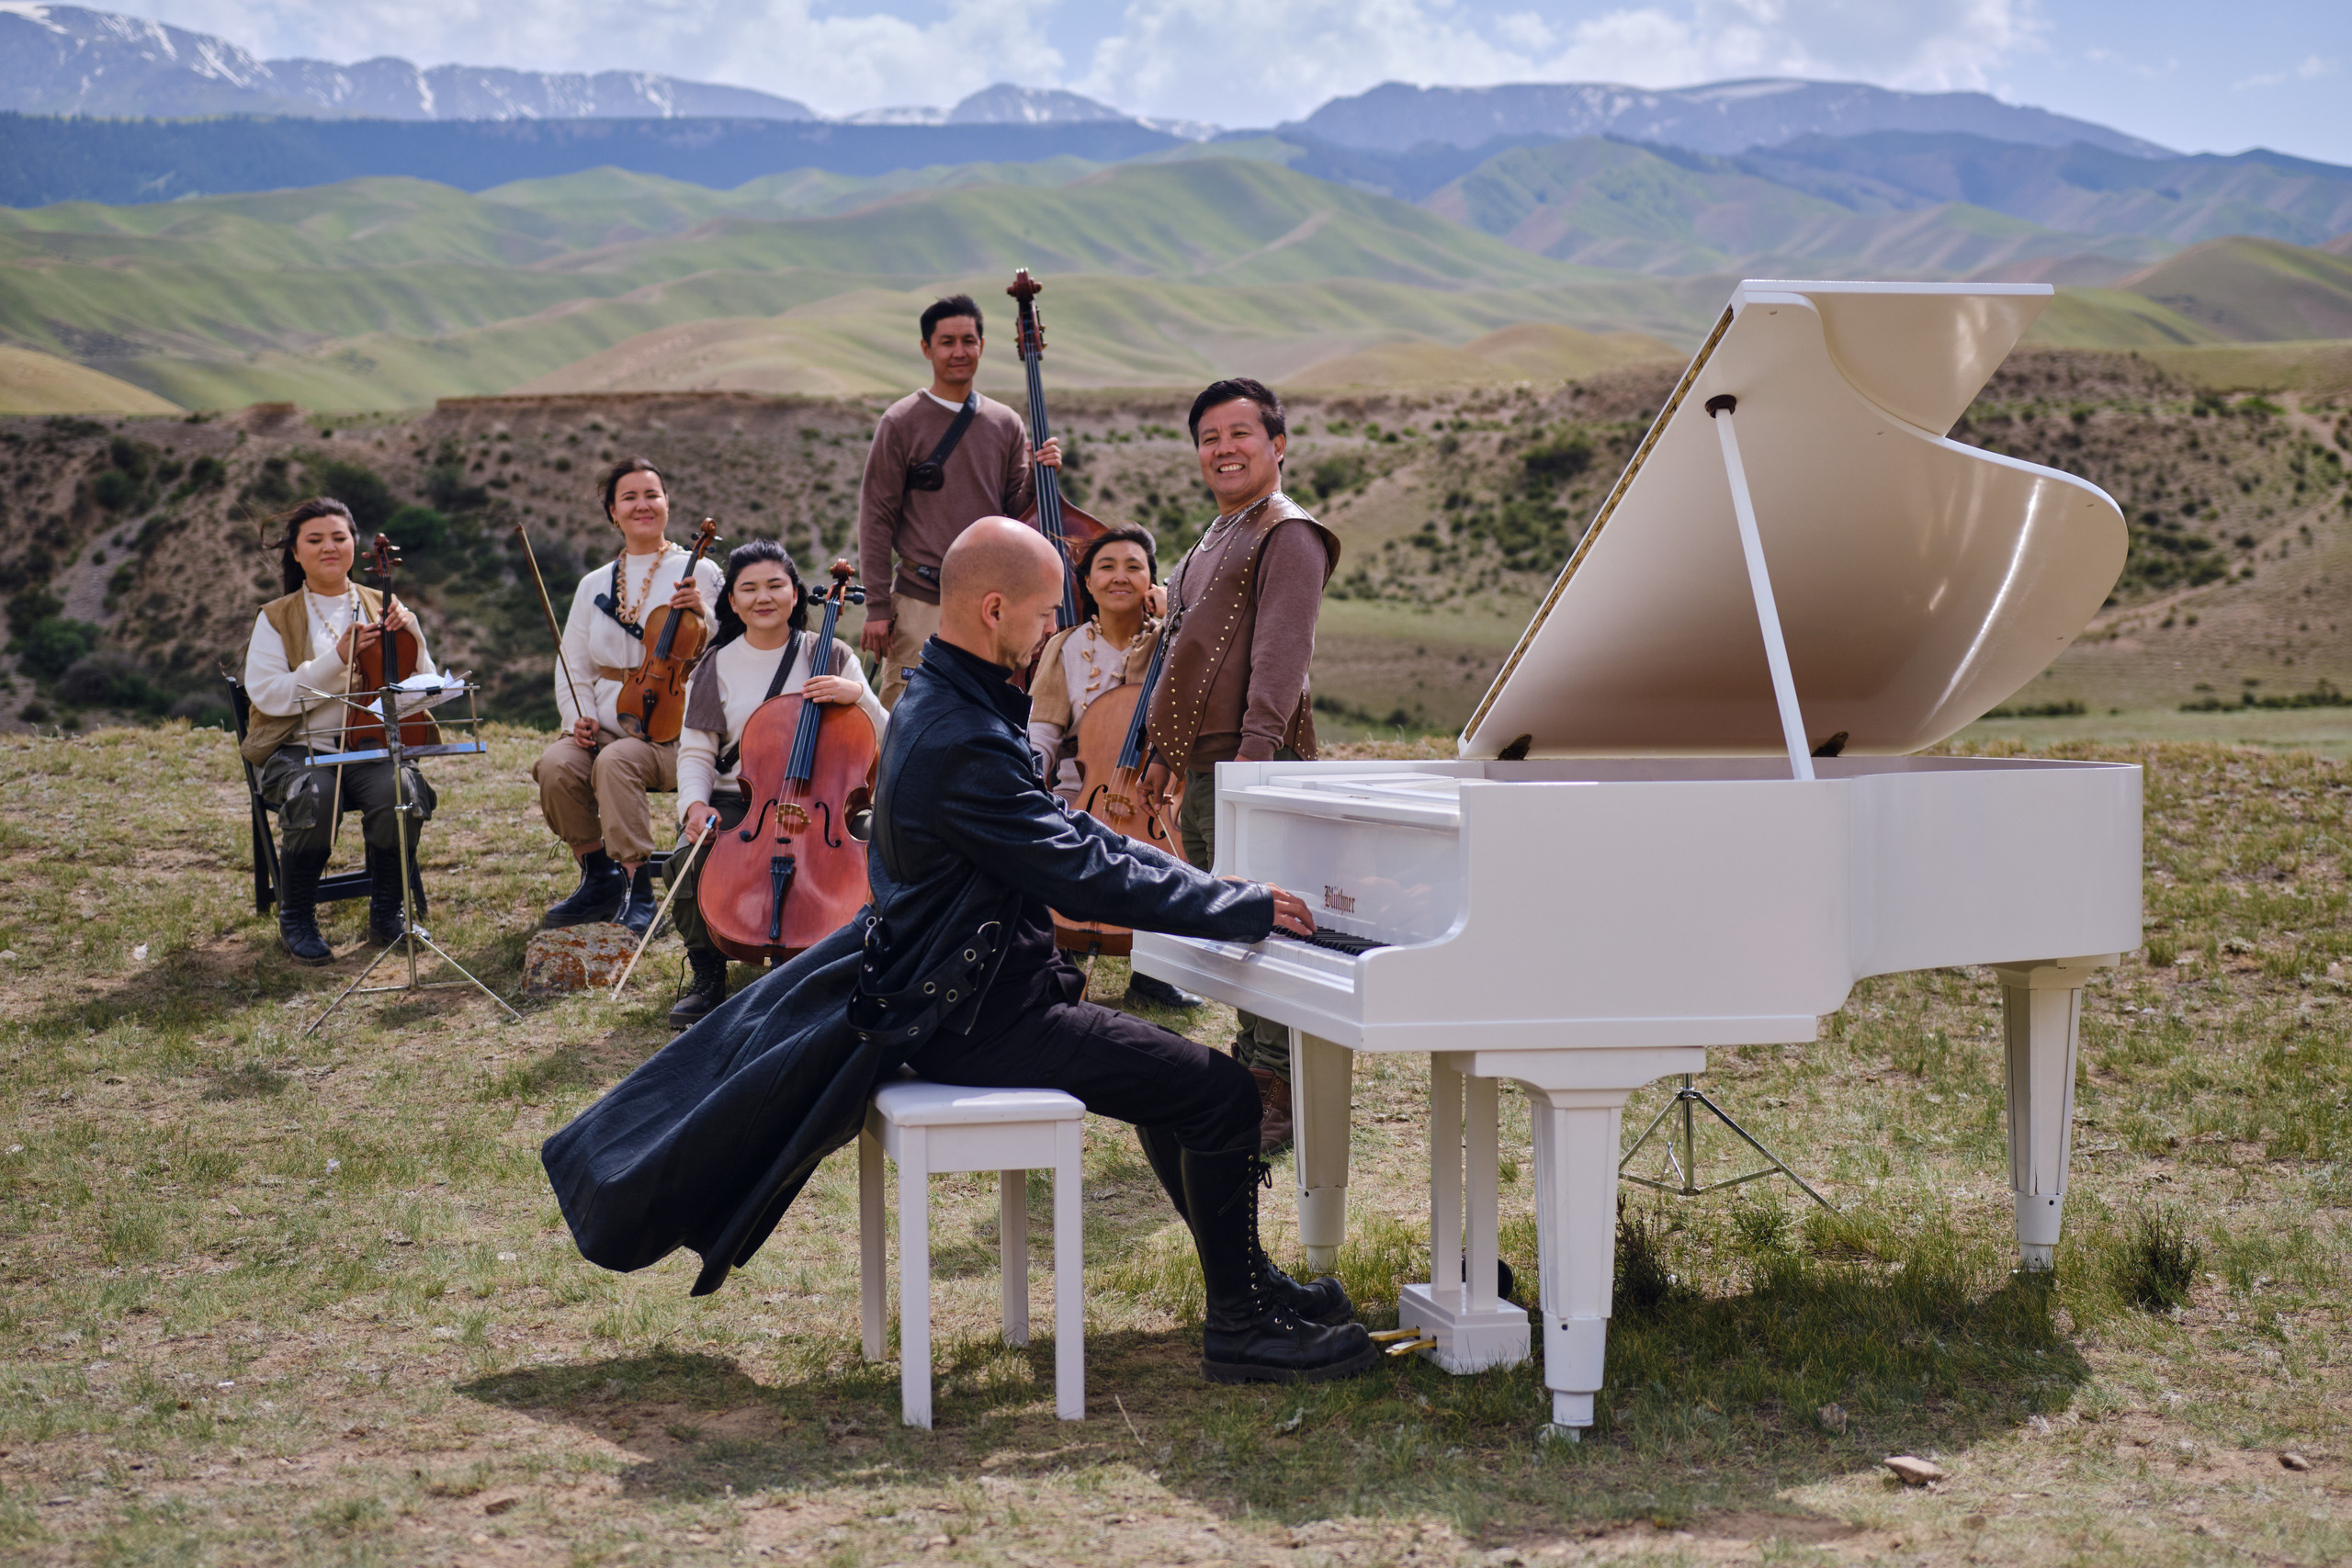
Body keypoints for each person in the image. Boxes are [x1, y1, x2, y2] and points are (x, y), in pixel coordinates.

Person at [1141, 378, 1340, 1153]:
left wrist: (1253, 769)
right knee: (1240, 927)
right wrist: (1167, 753)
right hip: (1210, 767)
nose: (1223, 449)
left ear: (1278, 443)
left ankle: (1277, 1088)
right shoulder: (1213, 536)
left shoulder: (1288, 534)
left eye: (1240, 434)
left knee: (1270, 928)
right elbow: (1182, 658)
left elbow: (1280, 658)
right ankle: (1252, 1069)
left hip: (1255, 761)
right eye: (1209, 438)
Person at [665, 541, 888, 1031]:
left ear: (795, 594)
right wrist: (695, 804)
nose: (762, 598)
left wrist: (858, 696)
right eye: (748, 588)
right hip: (742, 798)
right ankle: (707, 974)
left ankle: (849, 964)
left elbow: (888, 735)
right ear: (732, 601)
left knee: (884, 846)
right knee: (689, 857)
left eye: (774, 586)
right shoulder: (714, 665)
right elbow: (698, 751)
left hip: (828, 799)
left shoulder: (830, 653)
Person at [241, 498, 440, 964]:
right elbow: (269, 696)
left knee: (402, 789)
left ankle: (388, 913)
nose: (329, 547)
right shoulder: (276, 617)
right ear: (295, 552)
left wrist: (414, 636)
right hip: (297, 748)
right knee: (315, 794)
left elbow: (421, 685)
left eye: (339, 537)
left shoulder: (383, 605)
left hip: (369, 746)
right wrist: (336, 659)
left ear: (354, 545)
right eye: (315, 540)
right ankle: (297, 917)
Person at [533, 457, 725, 937]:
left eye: (652, 494)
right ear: (613, 512)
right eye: (630, 497)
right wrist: (574, 718)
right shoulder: (594, 584)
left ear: (667, 503)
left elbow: (729, 647)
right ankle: (599, 877)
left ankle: (639, 888)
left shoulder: (699, 571)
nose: (643, 505)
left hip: (675, 739)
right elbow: (573, 662)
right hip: (607, 725)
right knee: (556, 766)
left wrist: (705, 615)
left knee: (617, 761)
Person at [855, 293, 1059, 709]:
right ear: (927, 349)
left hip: (989, 602)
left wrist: (1042, 476)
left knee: (982, 711)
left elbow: (1014, 512)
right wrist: (878, 606)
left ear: (982, 346)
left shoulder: (1005, 422)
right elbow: (876, 517)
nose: (959, 351)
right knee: (907, 712)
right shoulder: (900, 421)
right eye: (947, 342)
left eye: (969, 340)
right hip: (919, 597)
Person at [1025, 523, 1199, 1010]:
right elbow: (1044, 728)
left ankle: (1155, 972)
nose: (1119, 577)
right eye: (1106, 566)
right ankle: (1059, 957)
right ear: (1086, 581)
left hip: (1153, 791)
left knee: (1175, 854)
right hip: (1083, 790)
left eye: (1133, 567)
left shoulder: (1173, 644)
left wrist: (1176, 625)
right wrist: (1031, 774)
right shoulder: (1064, 646)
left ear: (1152, 581)